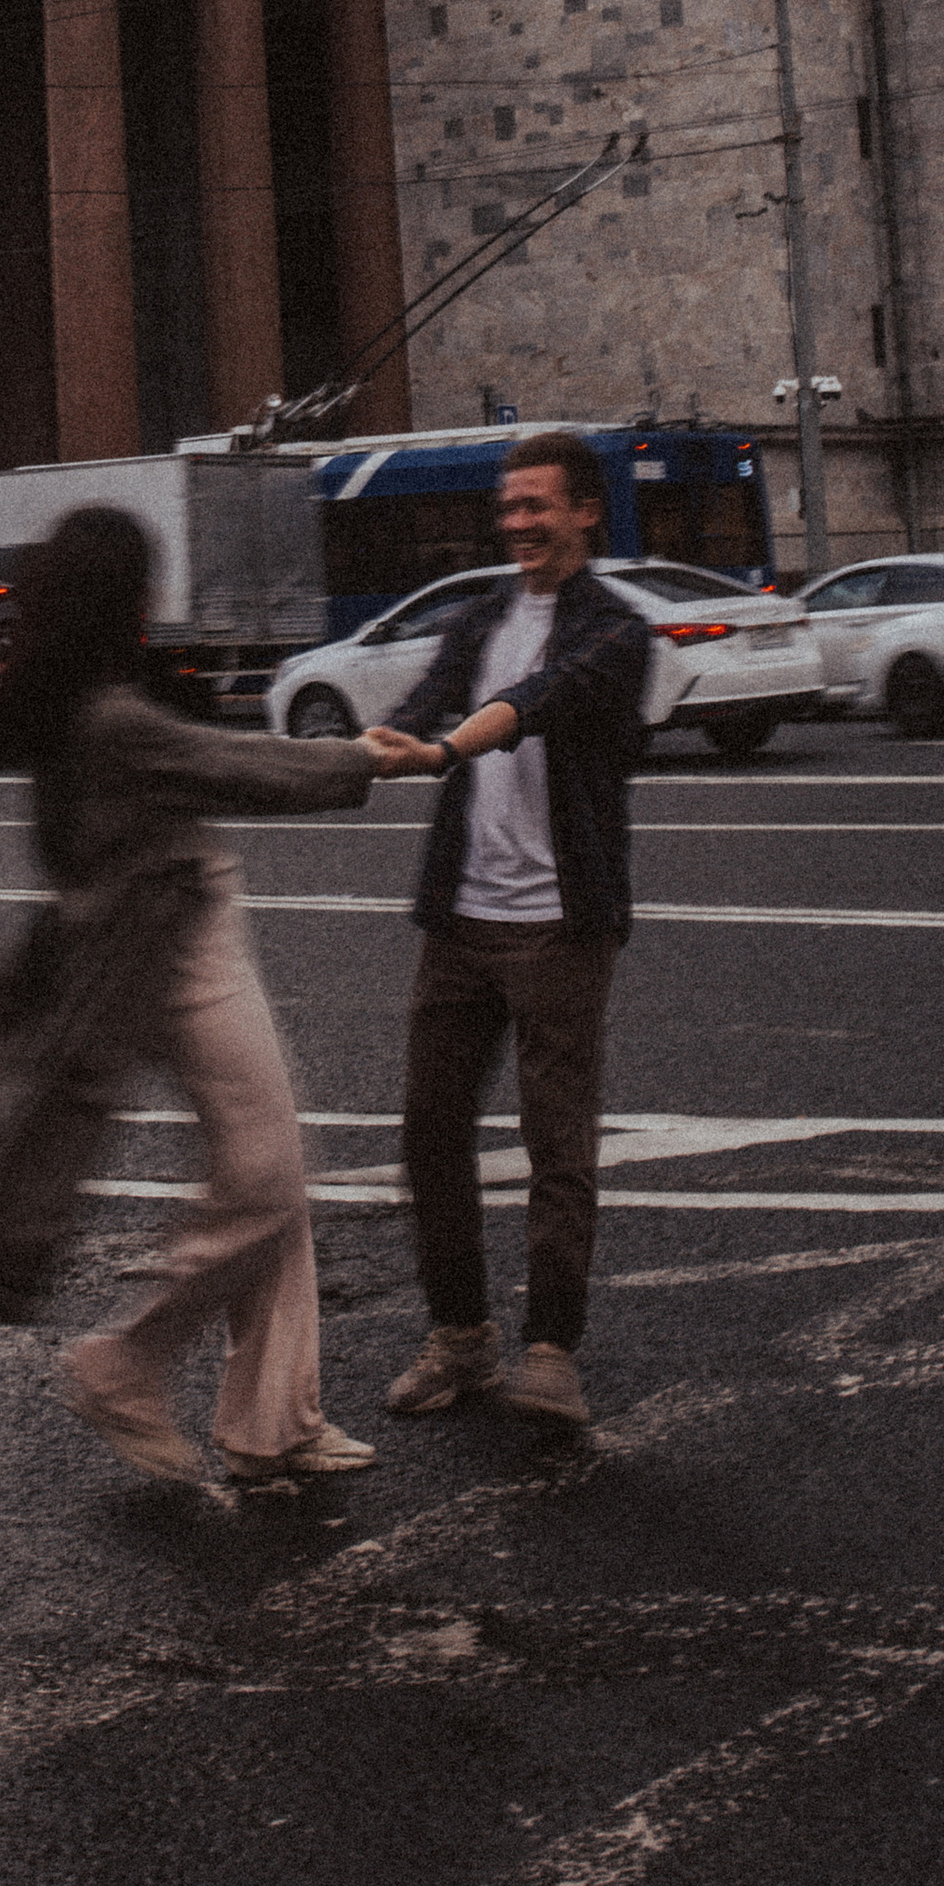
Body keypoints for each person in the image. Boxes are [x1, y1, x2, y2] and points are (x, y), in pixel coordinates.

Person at [0, 505, 416, 1491]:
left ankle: (275, 1421)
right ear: (122, 597)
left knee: (270, 1161)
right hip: (175, 942)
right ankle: (128, 1364)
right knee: (268, 1177)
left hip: (133, 941)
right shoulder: (111, 717)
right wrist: (367, 756)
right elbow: (240, 769)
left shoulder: (67, 695)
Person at [363, 430, 649, 1432]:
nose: (518, 523)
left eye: (538, 506)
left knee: (555, 1143)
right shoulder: (483, 612)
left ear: (584, 514)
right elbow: (423, 704)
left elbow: (534, 704)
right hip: (461, 918)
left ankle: (549, 1351)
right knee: (428, 1130)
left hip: (559, 924)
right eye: (509, 506)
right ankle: (461, 1339)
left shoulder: (616, 633)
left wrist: (438, 750)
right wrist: (349, 757)